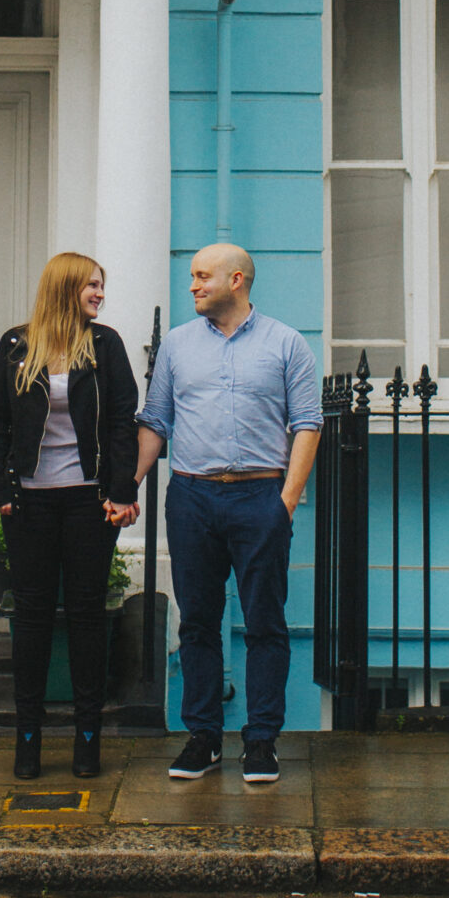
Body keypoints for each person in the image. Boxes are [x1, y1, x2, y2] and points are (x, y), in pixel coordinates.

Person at [135, 244, 321, 786]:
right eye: (191, 276)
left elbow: (307, 424)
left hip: (259, 496)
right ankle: (204, 739)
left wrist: (285, 502)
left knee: (265, 622)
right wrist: (130, 486)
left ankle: (261, 741)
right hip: (192, 497)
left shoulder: (286, 344)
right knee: (196, 621)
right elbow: (156, 421)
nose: (191, 285)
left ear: (235, 279)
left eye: (201, 277)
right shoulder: (176, 346)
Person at [0, 252, 139, 783]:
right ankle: (28, 740)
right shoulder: (15, 346)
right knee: (31, 616)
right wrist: (2, 490)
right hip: (30, 502)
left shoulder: (106, 345)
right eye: (91, 285)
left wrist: (120, 492)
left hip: (89, 501)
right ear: (65, 287)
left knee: (89, 615)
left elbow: (122, 423)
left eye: (102, 284)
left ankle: (87, 740)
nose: (99, 293)